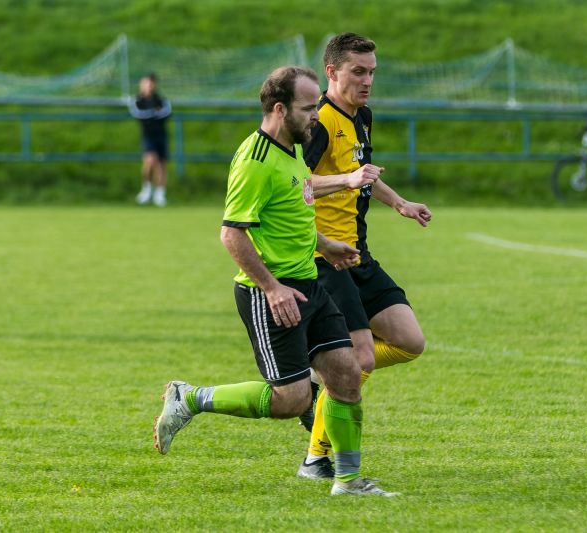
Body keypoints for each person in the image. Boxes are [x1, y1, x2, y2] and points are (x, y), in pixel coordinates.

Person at [152, 65, 398, 497]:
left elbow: (292, 206)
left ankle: (348, 481)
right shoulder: (255, 160)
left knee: (346, 374)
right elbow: (232, 233)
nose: (316, 116)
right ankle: (189, 398)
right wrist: (271, 287)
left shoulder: (292, 149)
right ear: (280, 109)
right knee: (291, 401)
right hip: (270, 292)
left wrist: (326, 243)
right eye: (308, 108)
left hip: (310, 284)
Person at [296, 33, 432, 480]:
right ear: (332, 72)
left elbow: (363, 175)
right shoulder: (317, 121)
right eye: (358, 71)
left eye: (372, 71)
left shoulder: (363, 116)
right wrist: (350, 179)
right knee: (361, 361)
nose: (368, 79)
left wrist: (399, 203)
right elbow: (298, 185)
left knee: (410, 341)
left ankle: (325, 376)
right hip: (323, 256)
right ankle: (317, 457)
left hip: (359, 254)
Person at [128, 73, 172, 207]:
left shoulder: (161, 100)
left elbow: (167, 112)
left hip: (161, 135)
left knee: (162, 165)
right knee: (150, 160)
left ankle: (159, 194)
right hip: (148, 135)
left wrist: (154, 114)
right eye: (146, 83)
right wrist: (154, 113)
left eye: (151, 83)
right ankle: (146, 189)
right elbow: (139, 115)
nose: (149, 86)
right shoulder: (138, 101)